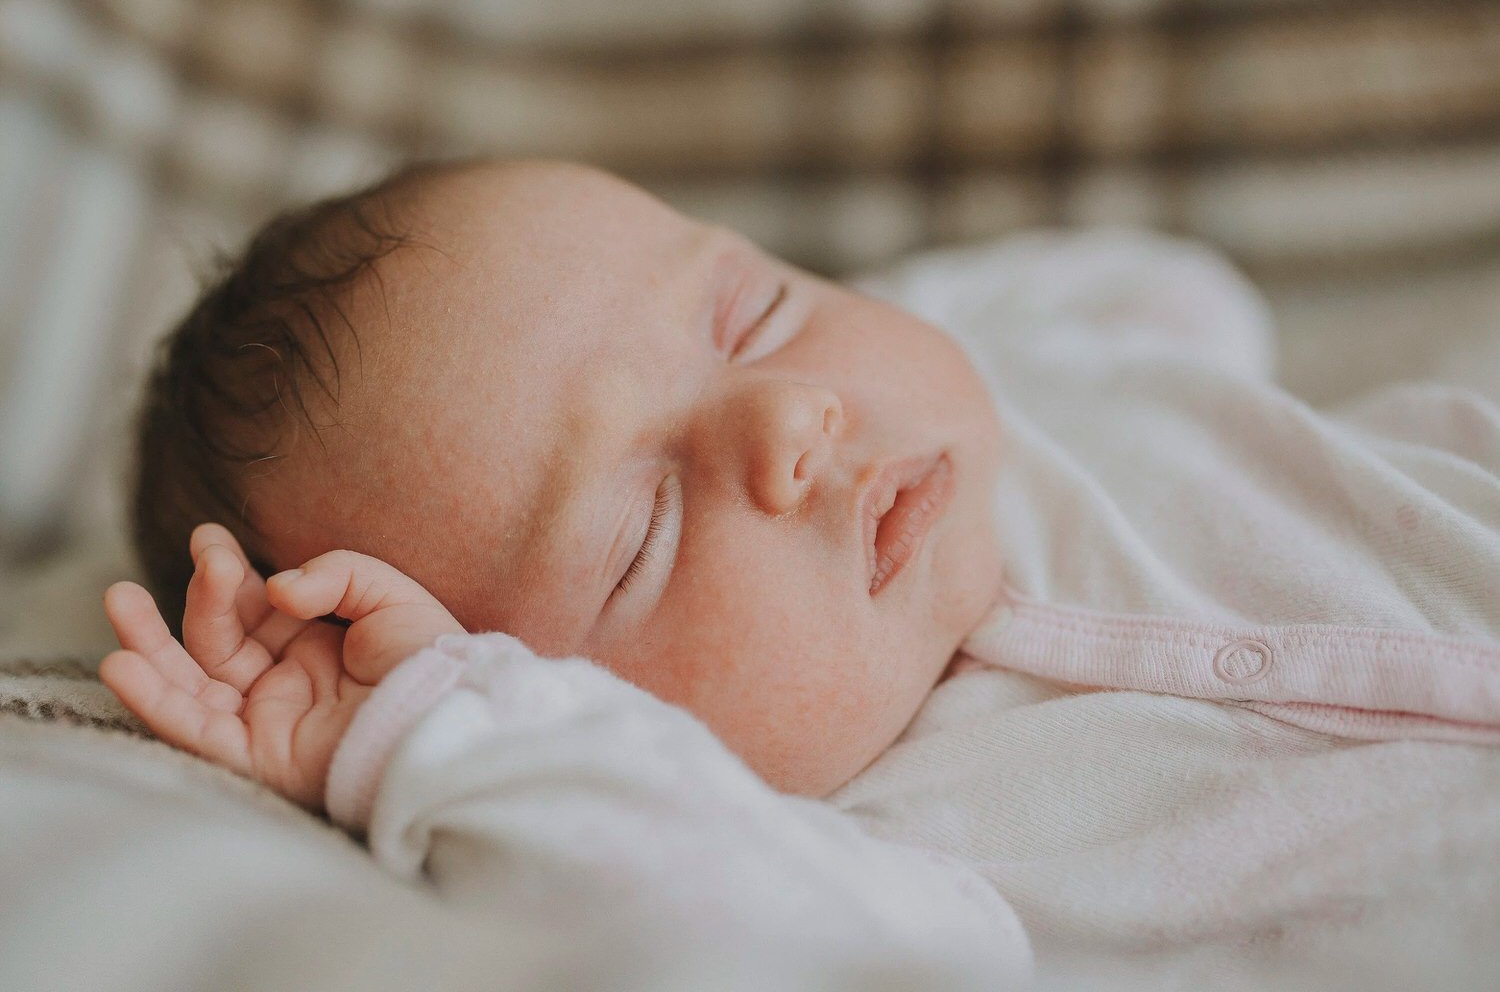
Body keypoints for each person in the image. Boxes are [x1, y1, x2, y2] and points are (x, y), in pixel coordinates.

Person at [101, 158, 1500, 985]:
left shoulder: (1044, 388)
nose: (785, 423)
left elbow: (1177, 291)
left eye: (751, 309)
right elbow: (697, 900)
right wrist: (430, 721)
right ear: (578, 709)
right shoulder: (884, 863)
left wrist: (908, 330)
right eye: (638, 533)